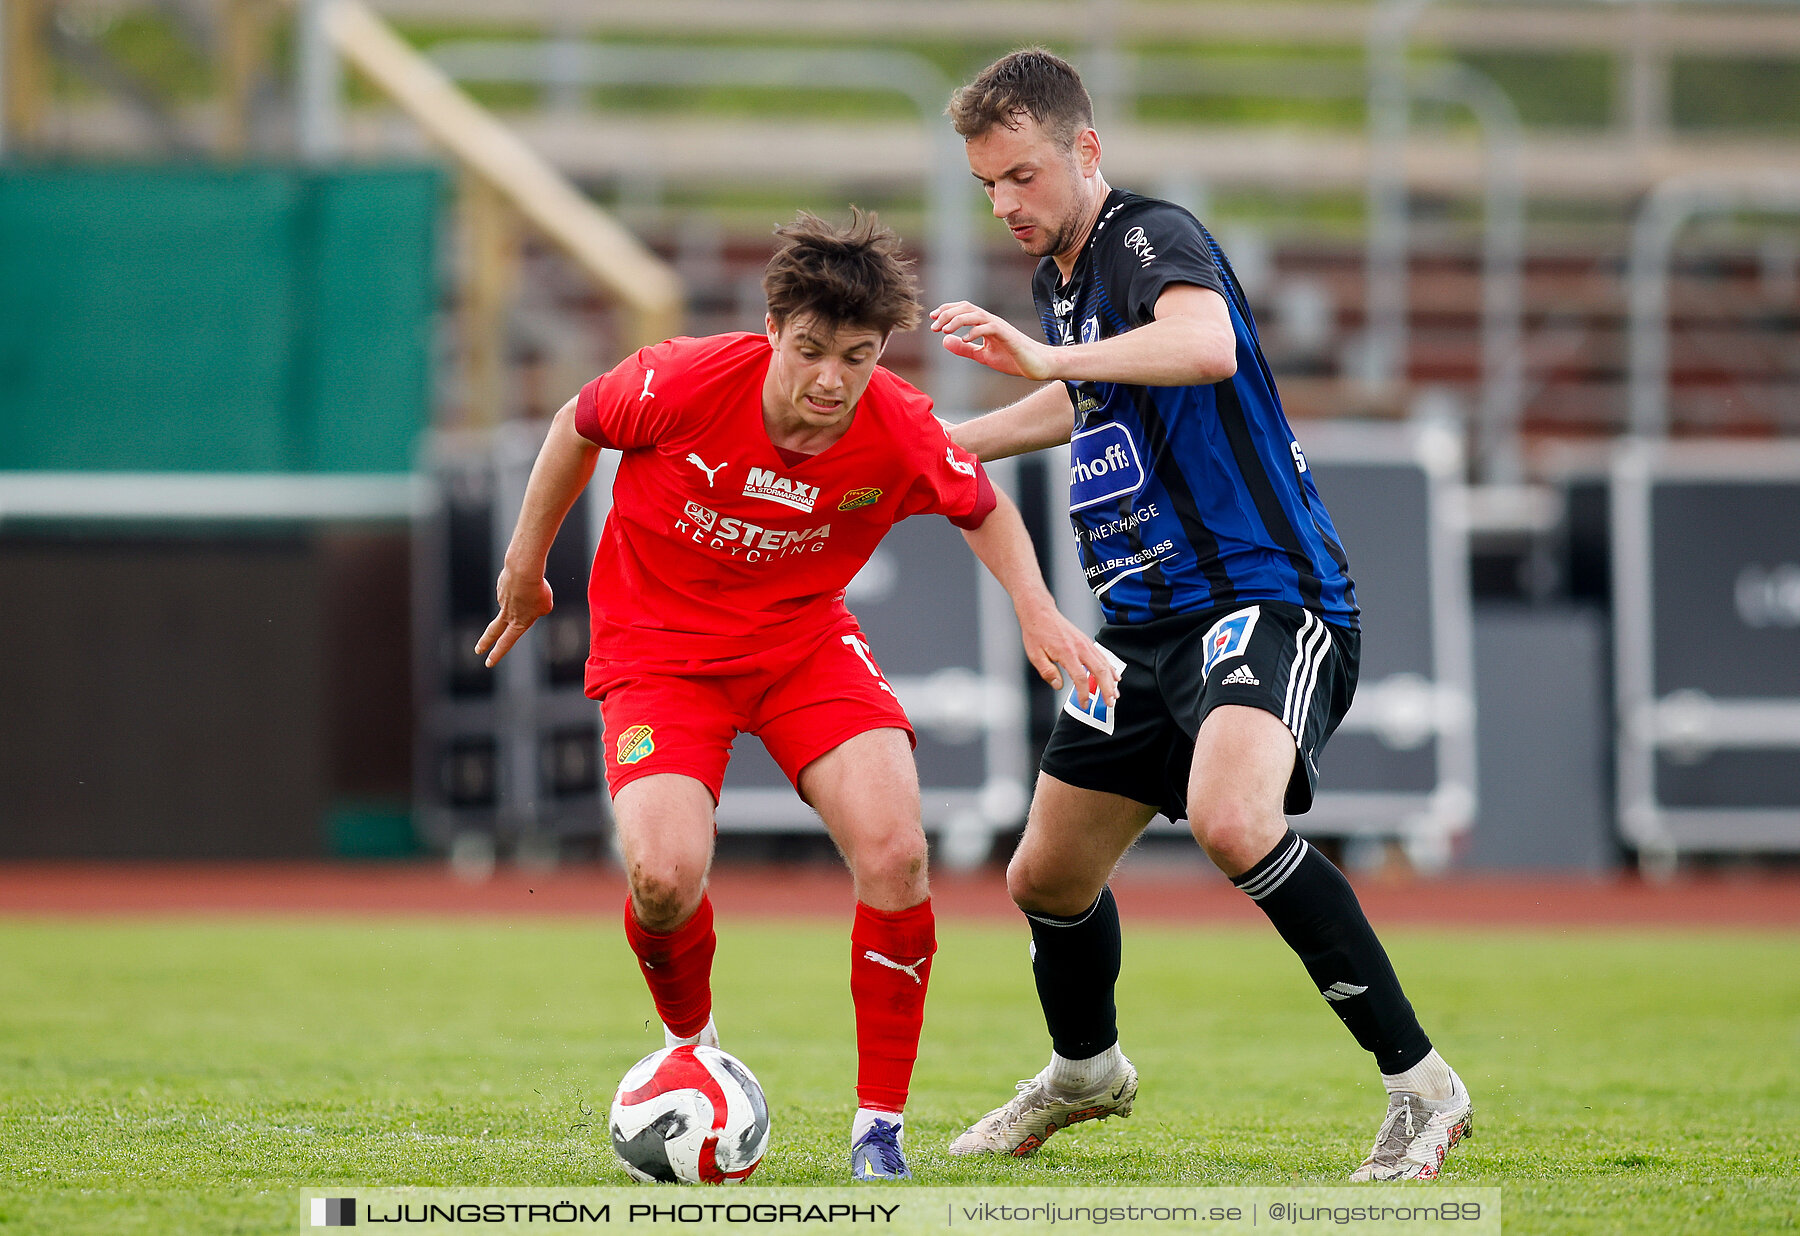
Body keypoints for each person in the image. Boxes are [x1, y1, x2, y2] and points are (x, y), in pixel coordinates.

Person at [476, 209, 1117, 1182]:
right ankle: (692, 1045)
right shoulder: (684, 379)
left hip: (800, 648)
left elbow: (982, 510)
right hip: (659, 654)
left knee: (898, 854)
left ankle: (879, 1134)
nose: (830, 379)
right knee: (661, 876)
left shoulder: (895, 422)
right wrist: (526, 567)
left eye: (856, 357)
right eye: (811, 350)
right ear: (774, 330)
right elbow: (577, 425)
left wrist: (1037, 610)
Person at [926, 49, 1474, 1182]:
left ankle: (1424, 1089)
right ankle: (1086, 1074)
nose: (1005, 205)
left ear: (1086, 149)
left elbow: (1205, 343)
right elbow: (1084, 396)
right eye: (987, 186)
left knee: (1234, 819)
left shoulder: (1145, 236)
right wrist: (943, 445)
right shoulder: (1064, 280)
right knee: (1044, 880)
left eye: (1021, 176)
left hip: (1264, 598)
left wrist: (1046, 351)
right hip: (1141, 627)